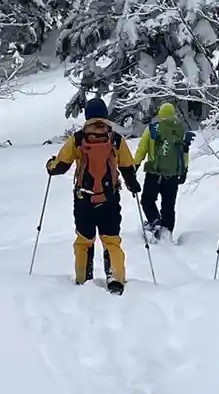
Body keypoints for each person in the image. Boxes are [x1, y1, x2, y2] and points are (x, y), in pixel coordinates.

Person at [47, 97, 140, 293]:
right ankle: (115, 277)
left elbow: (61, 166)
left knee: (84, 240)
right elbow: (127, 167)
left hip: (84, 200)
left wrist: (51, 166)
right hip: (109, 199)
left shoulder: (79, 139)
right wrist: (133, 185)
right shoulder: (115, 139)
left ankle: (83, 278)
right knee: (111, 240)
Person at [134, 102, 193, 241]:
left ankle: (155, 221)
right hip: (172, 175)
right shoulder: (181, 131)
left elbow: (141, 150)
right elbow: (184, 153)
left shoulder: (152, 129)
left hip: (154, 173)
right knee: (168, 205)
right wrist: (184, 170)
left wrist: (134, 167)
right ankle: (167, 231)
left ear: (160, 114)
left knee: (147, 200)